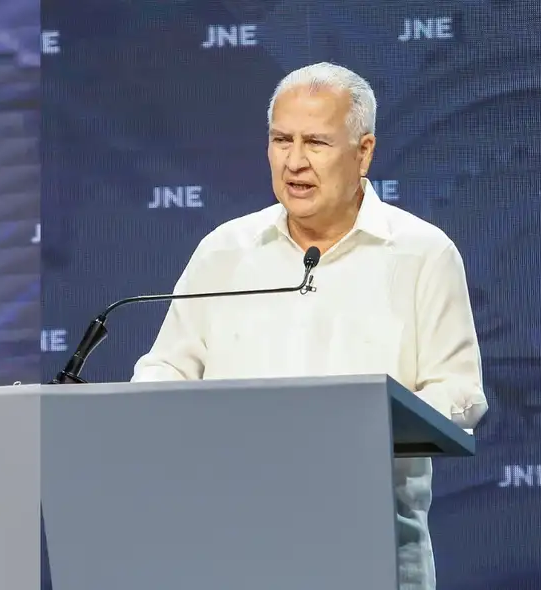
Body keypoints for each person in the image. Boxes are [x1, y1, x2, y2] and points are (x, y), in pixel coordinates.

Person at [131, 62, 488, 589]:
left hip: (368, 549)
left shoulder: (422, 254)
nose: (294, 162)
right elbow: (165, 369)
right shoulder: (224, 250)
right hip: (226, 545)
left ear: (363, 151)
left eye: (316, 143)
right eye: (281, 140)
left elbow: (459, 392)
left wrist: (357, 423)